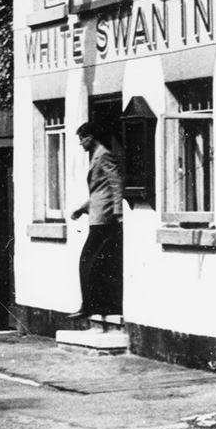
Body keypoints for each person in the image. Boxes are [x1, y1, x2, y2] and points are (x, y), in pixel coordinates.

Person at [68, 122, 124, 320]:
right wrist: (82, 209)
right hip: (98, 215)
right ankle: (95, 304)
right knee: (96, 261)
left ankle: (90, 305)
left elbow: (116, 184)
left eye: (81, 139)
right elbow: (100, 190)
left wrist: (118, 213)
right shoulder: (97, 155)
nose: (81, 144)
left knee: (88, 260)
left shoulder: (104, 155)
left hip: (105, 218)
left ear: (90, 137)